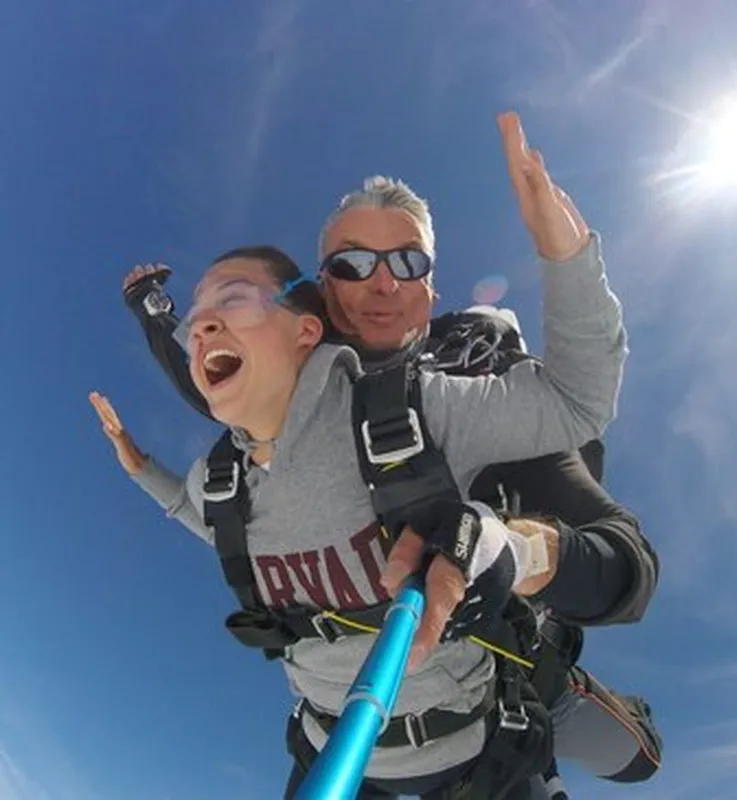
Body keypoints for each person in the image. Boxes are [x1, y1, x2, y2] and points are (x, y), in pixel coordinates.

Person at [119, 112, 662, 797]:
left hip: (480, 723)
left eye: (408, 263)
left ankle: (554, 686)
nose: (381, 283)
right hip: (338, 732)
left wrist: (523, 552)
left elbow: (628, 568)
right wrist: (154, 312)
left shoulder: (475, 402)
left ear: (431, 289)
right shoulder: (294, 391)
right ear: (322, 291)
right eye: (353, 263)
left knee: (532, 667)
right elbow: (212, 385)